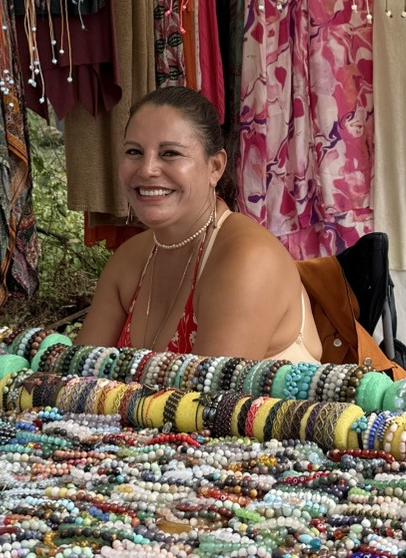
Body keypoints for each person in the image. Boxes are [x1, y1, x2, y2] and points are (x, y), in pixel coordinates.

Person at [78, 87, 322, 362]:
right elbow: (77, 370)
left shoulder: (248, 258)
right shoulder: (130, 259)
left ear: (215, 167)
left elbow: (209, 390)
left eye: (170, 153)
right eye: (134, 152)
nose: (147, 169)